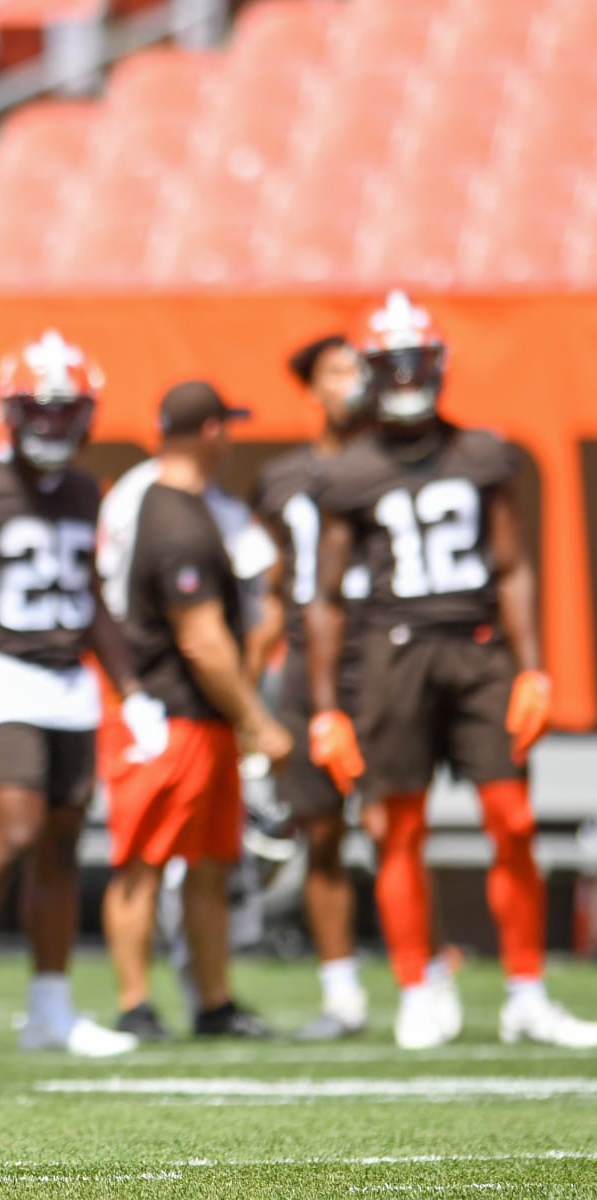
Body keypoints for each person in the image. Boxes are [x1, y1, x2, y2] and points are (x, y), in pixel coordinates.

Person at [307, 291, 597, 1050]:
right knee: (398, 828)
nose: (406, 376)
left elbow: (513, 567)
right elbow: (327, 597)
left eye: (417, 360)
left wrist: (533, 669)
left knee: (515, 819)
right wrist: (324, 705)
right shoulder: (349, 473)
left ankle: (525, 991)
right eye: (392, 363)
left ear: (438, 364)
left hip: (476, 651)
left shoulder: (481, 454)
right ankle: (415, 983)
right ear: (372, 371)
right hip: (391, 655)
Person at [0, 331, 144, 1058]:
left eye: (63, 410)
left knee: (62, 846)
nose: (50, 425)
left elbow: (93, 597)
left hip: (70, 677)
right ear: (8, 412)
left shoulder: (82, 489)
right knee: (14, 832)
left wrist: (131, 688)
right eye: (36, 411)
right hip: (1, 671)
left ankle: (51, 1006)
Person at [96, 381, 291, 1041]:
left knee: (209, 865)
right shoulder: (173, 514)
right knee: (143, 863)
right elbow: (201, 639)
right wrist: (257, 720)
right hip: (167, 713)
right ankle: (133, 1002)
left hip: (200, 717)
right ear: (211, 430)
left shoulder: (193, 506)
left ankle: (213, 1001)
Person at [244, 334, 372, 1040]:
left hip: (384, 653)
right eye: (337, 370)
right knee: (321, 830)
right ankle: (342, 989)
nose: (351, 383)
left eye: (360, 368)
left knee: (396, 822)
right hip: (304, 661)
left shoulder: (400, 462)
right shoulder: (282, 477)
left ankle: (429, 980)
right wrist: (247, 682)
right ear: (311, 386)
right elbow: (269, 590)